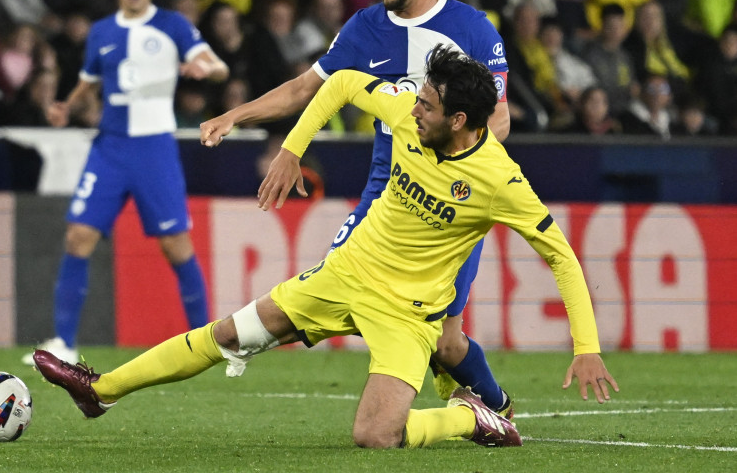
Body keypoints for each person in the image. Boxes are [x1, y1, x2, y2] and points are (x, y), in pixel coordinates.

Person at [33, 46, 618, 450]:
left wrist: (586, 347)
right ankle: (99, 389)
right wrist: (293, 147)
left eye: (427, 107)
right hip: (345, 273)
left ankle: (469, 417)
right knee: (231, 332)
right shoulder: (407, 112)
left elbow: (561, 257)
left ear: (460, 119)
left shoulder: (499, 179)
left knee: (376, 436)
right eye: (414, 100)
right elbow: (339, 83)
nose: (411, 111)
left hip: (408, 314)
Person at [200, 0, 513, 416]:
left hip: (450, 207)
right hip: (383, 198)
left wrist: (452, 162)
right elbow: (307, 88)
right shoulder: (364, 28)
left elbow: (499, 120)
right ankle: (251, 337)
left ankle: (496, 407)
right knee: (339, 284)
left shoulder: (472, 29)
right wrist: (237, 114)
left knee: (447, 343)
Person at [22, 0, 229, 365]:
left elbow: (219, 66)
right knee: (78, 235)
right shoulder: (101, 32)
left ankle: (205, 343)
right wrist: (66, 104)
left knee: (176, 245)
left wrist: (207, 70)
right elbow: (89, 80)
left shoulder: (173, 25)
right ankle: (63, 342)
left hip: (154, 148)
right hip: (110, 147)